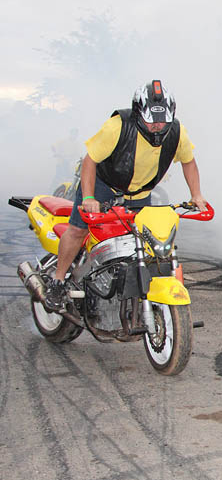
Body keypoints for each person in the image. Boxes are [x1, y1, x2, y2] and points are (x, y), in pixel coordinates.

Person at [44, 80, 208, 311]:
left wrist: (197, 195)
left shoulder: (177, 132)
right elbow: (90, 161)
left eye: (162, 121)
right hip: (103, 185)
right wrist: (89, 198)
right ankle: (58, 281)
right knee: (78, 229)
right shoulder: (117, 126)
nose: (157, 127)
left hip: (140, 193)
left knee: (145, 241)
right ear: (139, 113)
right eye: (151, 121)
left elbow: (188, 162)